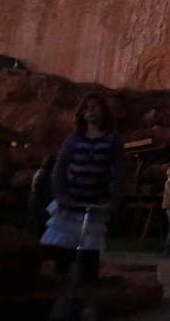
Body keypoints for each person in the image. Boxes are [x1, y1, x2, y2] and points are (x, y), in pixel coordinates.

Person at [40, 92, 126, 286]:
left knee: (89, 255)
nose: (91, 111)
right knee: (63, 255)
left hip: (95, 204)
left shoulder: (112, 140)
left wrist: (113, 200)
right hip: (70, 204)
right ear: (82, 113)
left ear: (104, 112)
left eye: (95, 107)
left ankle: (87, 297)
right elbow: (59, 170)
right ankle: (60, 296)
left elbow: (119, 172)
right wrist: (61, 195)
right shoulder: (73, 140)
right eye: (87, 108)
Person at [26, 154, 56, 234]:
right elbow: (45, 190)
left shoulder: (41, 172)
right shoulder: (45, 174)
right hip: (39, 202)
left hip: (36, 201)